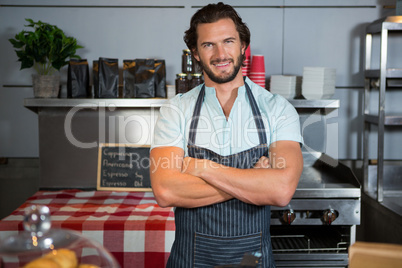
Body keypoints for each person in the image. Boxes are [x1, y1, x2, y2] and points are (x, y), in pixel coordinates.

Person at [150, 2, 303, 267]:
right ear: (196, 53)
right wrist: (255, 180)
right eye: (208, 45)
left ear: (243, 45)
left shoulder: (277, 108)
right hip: (191, 259)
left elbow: (280, 190)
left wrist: (201, 168)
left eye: (228, 41)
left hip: (251, 260)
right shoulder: (175, 109)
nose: (221, 53)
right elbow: (165, 190)